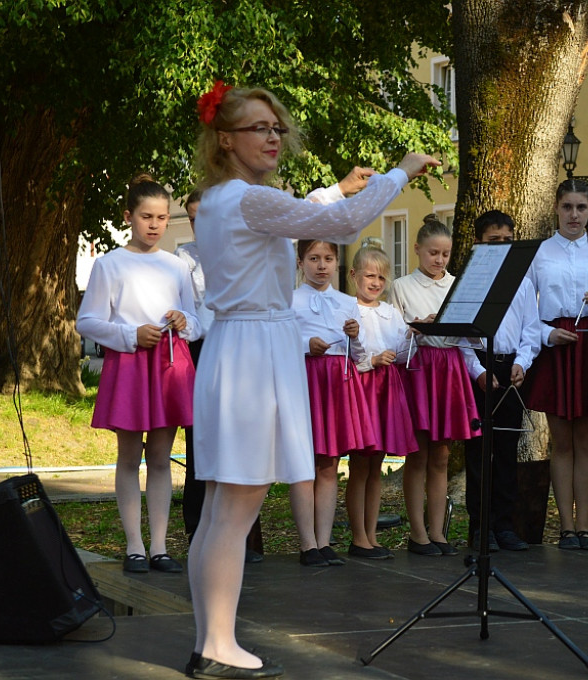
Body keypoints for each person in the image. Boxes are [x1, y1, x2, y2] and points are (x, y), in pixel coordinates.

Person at [187, 79, 438, 678]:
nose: (273, 137)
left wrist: (336, 189)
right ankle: (216, 645)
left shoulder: (225, 199)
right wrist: (399, 172)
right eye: (257, 128)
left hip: (238, 346)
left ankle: (209, 640)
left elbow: (303, 213)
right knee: (237, 505)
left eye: (277, 128)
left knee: (224, 506)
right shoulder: (249, 199)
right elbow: (345, 222)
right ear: (225, 138)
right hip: (255, 352)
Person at [76, 173, 200, 575]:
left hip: (169, 364)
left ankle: (161, 547)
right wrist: (131, 334)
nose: (155, 225)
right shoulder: (110, 264)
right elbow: (87, 321)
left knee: (162, 458)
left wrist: (184, 320)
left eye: (162, 217)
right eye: (147, 216)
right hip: (130, 365)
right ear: (129, 216)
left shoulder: (176, 266)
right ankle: (134, 546)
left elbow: (198, 321)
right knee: (129, 457)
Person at [524, 178, 588, 551]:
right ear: (556, 208)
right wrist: (546, 334)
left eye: (581, 207)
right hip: (556, 347)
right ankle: (565, 527)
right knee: (561, 441)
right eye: (567, 207)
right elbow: (524, 309)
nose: (574, 215)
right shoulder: (539, 254)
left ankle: (585, 527)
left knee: (587, 441)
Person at [176, 191, 264, 563]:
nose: (201, 226)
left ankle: (247, 535)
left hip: (240, 348)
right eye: (193, 219)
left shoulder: (240, 251)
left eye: (206, 218)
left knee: (242, 438)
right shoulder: (183, 258)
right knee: (202, 439)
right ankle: (199, 527)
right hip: (200, 348)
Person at [391, 217, 480, 557]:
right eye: (433, 253)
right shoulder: (401, 286)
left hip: (450, 367)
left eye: (445, 254)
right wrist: (418, 328)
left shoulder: (457, 285)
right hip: (420, 368)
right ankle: (417, 533)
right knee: (418, 453)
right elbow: (393, 335)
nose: (439, 260)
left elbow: (471, 335)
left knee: (441, 454)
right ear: (417, 250)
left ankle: (438, 531)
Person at [289, 239, 376, 568]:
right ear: (301, 262)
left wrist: (355, 337)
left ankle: (324, 542)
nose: (321, 265)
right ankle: (307, 544)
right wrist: (304, 344)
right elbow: (278, 340)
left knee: (328, 464)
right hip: (304, 382)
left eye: (327, 258)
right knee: (303, 463)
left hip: (337, 383)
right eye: (313, 258)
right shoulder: (291, 300)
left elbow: (360, 355)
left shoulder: (345, 302)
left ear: (337, 262)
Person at [461, 210, 541, 552]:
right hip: (479, 370)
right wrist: (478, 372)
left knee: (507, 452)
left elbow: (531, 330)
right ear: (479, 243)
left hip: (509, 371)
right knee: (479, 453)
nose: (502, 247)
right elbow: (460, 336)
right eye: (494, 241)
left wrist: (522, 363)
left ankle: (505, 525)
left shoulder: (521, 283)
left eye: (508, 241)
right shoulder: (468, 282)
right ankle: (480, 528)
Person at [348, 241, 419, 559]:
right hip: (361, 389)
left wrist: (412, 334)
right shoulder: (349, 311)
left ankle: (372, 534)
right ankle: (358, 535)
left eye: (380, 277)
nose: (375, 283)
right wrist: (371, 361)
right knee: (360, 464)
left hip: (386, 389)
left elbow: (403, 353)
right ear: (354, 276)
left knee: (376, 465)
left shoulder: (391, 313)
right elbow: (348, 354)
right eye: (369, 276)